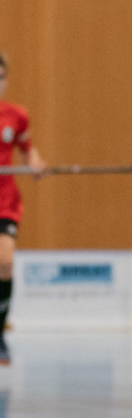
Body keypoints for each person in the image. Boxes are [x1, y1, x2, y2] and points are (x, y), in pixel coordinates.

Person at [0, 52, 49, 366]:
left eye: (1, 78)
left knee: (4, 264)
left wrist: (36, 164)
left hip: (5, 202)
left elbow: (27, 151)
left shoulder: (16, 116)